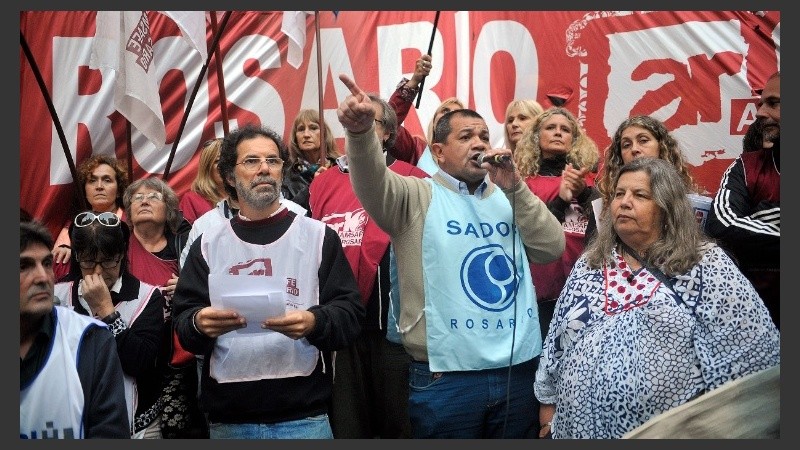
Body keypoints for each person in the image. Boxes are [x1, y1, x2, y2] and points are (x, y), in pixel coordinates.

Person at [337, 73, 565, 438]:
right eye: (466, 136)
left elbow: (550, 247)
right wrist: (361, 133)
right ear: (438, 151)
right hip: (446, 379)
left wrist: (516, 189)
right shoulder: (415, 196)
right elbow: (371, 180)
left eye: (484, 136)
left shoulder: (509, 195)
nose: (479, 143)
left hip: (515, 373)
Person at [534, 157, 780, 439]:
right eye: (619, 194)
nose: (624, 202)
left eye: (640, 195)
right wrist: (547, 419)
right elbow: (556, 344)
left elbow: (752, 364)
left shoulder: (705, 265)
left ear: (667, 207)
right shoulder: (590, 263)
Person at [172, 123, 364, 439]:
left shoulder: (318, 237)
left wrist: (314, 322)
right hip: (230, 422)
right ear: (229, 176)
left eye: (272, 161)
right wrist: (198, 324)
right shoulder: (207, 244)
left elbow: (350, 315)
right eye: (251, 161)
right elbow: (183, 322)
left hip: (305, 419)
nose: (264, 168)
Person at [310, 94, 428, 438]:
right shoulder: (322, 182)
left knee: (400, 426)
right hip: (342, 327)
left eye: (368, 122)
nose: (358, 128)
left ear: (388, 132)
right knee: (350, 427)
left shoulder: (413, 178)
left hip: (394, 329)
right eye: (351, 123)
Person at [54, 211, 166, 438]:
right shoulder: (58, 295)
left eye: (107, 261)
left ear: (121, 255)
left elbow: (140, 363)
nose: (97, 271)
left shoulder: (147, 297)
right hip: (71, 423)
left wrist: (106, 311)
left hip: (137, 426)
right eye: (88, 261)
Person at [21, 220, 130, 439]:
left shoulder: (91, 338)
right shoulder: (64, 292)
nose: (43, 277)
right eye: (23, 266)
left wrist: (107, 312)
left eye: (47, 263)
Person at [122, 177, 205, 438]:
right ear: (128, 211)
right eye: (137, 198)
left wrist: (187, 285)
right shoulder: (118, 246)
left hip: (177, 361)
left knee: (177, 431)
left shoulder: (185, 245)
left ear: (168, 209)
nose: (144, 201)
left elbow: (209, 288)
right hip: (130, 354)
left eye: (153, 197)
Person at [513, 106, 599, 338]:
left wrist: (583, 193)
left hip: (584, 290)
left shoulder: (591, 180)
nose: (558, 132)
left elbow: (605, 229)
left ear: (575, 139)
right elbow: (529, 233)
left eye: (565, 129)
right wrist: (561, 201)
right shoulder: (524, 184)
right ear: (536, 136)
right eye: (550, 127)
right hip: (540, 292)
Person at [705, 71, 780, 328]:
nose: (759, 113)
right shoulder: (747, 167)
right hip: (756, 321)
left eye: (773, 103)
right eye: (761, 104)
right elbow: (722, 225)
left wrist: (759, 217)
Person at [52, 154, 130, 280]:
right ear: (84, 190)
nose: (99, 186)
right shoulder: (75, 225)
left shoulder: (133, 223)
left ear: (119, 190)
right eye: (92, 180)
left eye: (107, 180)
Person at [388, 53, 466, 175]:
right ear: (434, 122)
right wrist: (414, 81)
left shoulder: (470, 160)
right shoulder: (416, 150)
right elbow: (388, 123)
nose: (449, 116)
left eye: (456, 113)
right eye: (445, 111)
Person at [283, 109, 341, 212]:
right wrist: (314, 186)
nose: (306, 134)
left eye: (313, 128)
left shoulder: (341, 168)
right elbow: (287, 213)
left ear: (324, 134)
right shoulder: (286, 175)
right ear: (295, 137)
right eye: (301, 129)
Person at [179, 138, 227, 224]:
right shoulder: (191, 199)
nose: (224, 165)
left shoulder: (242, 194)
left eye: (227, 160)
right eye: (217, 161)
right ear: (207, 168)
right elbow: (187, 232)